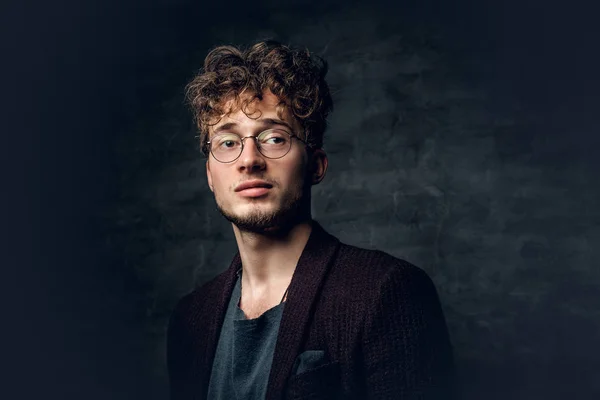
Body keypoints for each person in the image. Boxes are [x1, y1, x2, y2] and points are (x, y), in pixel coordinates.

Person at [167, 40, 457, 400]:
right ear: (211, 175)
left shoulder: (387, 291)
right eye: (228, 142)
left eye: (274, 138)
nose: (249, 160)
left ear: (315, 165)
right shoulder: (190, 319)